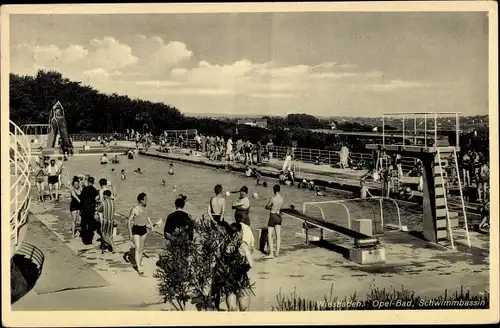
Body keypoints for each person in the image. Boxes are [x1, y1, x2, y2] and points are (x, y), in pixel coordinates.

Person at [224, 222, 254, 312]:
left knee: (232, 309)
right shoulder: (243, 245)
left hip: (229, 279)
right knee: (244, 311)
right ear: (238, 233)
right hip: (241, 278)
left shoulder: (226, 246)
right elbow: (251, 263)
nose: (243, 233)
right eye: (242, 231)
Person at [128, 193, 154, 276]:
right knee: (137, 248)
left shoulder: (145, 208)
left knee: (142, 248)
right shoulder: (135, 209)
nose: (147, 201)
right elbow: (129, 221)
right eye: (145, 199)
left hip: (143, 229)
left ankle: (139, 262)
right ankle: (138, 267)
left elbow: (148, 217)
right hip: (136, 229)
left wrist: (152, 225)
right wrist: (130, 233)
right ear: (141, 200)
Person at [265, 184, 284, 259]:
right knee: (278, 235)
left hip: (273, 216)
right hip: (279, 216)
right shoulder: (282, 198)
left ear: (274, 190)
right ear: (279, 190)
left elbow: (267, 206)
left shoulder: (273, 198)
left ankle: (271, 254)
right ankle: (277, 252)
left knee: (269, 235)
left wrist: (269, 207)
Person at [79, 176, 99, 245]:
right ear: (93, 182)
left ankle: (85, 239)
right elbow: (96, 198)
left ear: (88, 181)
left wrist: (81, 208)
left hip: (85, 208)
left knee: (84, 223)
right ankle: (90, 239)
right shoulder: (95, 190)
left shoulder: (85, 189)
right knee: (91, 224)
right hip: (91, 209)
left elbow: (82, 199)